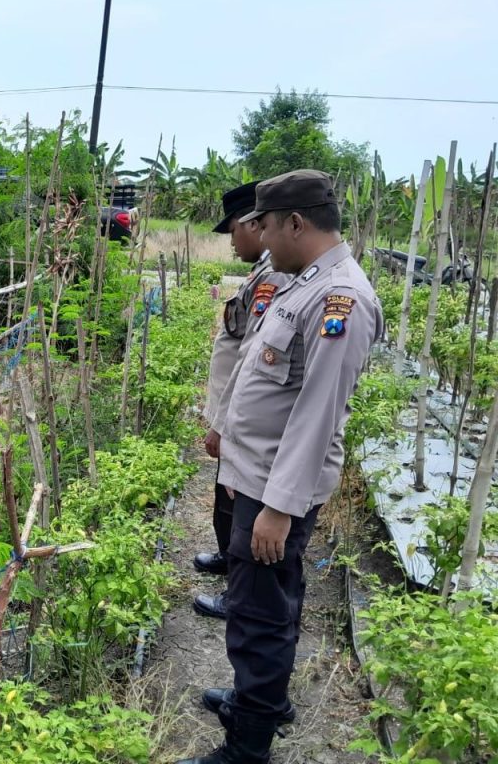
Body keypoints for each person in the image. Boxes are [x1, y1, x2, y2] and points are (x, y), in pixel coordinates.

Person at [178, 170, 384, 764]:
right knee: (267, 602)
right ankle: (260, 701)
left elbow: (318, 414)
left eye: (265, 226)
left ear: (296, 222)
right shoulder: (303, 283)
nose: (262, 240)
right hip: (258, 477)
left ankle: (248, 746)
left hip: (275, 488)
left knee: (258, 616)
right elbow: (258, 370)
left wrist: (278, 508)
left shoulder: (339, 298)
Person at [193, 181, 290, 621]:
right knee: (227, 493)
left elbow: (252, 355)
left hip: (244, 416)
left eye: (233, 230)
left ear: (253, 224)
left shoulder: (273, 276)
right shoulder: (262, 271)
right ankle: (228, 559)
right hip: (233, 411)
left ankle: (239, 588)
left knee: (239, 499)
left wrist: (224, 422)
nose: (231, 241)